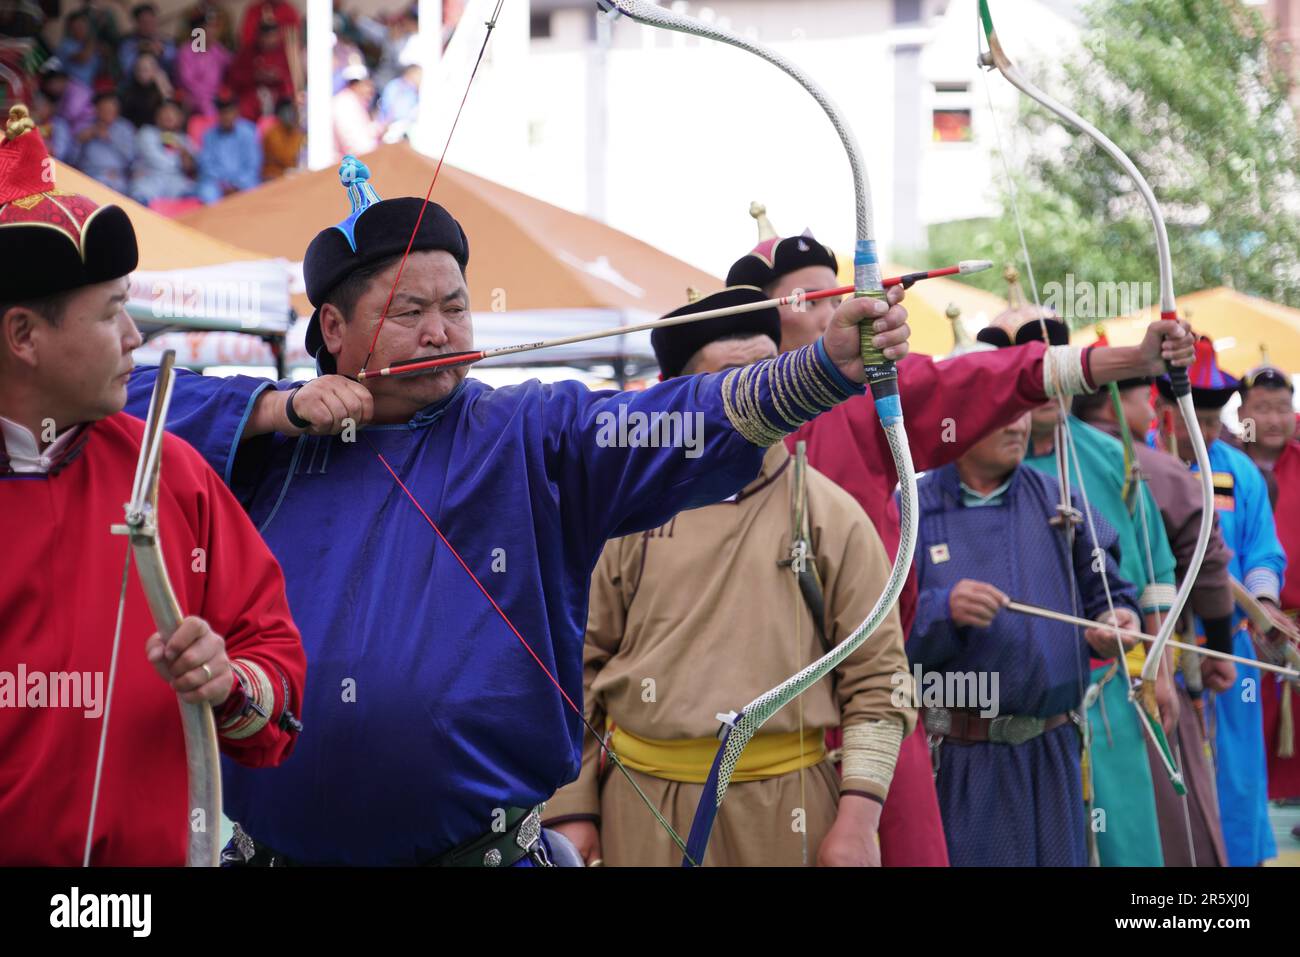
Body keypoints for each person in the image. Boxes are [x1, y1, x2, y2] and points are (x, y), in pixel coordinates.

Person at [123, 155, 912, 866]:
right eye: (409, 311)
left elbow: (678, 417)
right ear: (333, 328)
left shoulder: (529, 433)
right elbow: (118, 405)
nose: (440, 332)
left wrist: (822, 368)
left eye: (457, 308)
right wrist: (274, 408)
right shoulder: (267, 446)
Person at [727, 209, 1196, 865]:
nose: (835, 304)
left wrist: (1131, 357)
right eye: (809, 297)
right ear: (756, 320)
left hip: (877, 707)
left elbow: (982, 378)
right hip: (749, 720)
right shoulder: (706, 413)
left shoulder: (874, 399)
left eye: (837, 288)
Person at [0, 105, 305, 865]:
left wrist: (228, 681)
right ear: (23, 337)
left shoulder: (172, 473)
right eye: (111, 314)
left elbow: (276, 676)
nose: (137, 337)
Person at [544, 288, 914, 866]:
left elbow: (880, 682)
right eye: (731, 379)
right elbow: (573, 663)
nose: (760, 392)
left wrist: (859, 822)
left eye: (769, 371)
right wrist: (573, 810)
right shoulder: (621, 520)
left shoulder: (829, 515)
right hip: (643, 806)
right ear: (680, 394)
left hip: (787, 805)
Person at [910, 410, 1141, 865]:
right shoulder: (911, 509)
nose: (1017, 426)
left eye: (1021, 413)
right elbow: (875, 633)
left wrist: (1118, 620)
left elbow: (1110, 592)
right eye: (1000, 413)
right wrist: (942, 610)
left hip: (1052, 752)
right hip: (958, 757)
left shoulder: (1061, 504)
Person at [1010, 310, 1179, 869]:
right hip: (1008, 708)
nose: (1045, 386)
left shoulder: (1112, 458)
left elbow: (1155, 575)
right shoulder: (967, 467)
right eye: (1029, 373)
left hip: (1112, 690)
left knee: (1124, 843)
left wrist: (1162, 670)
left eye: (1055, 370)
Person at [1072, 379, 1234, 866]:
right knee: (1175, 823)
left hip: (1112, 672)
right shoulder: (1143, 466)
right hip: (1135, 675)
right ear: (1113, 401)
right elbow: (1207, 568)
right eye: (1145, 398)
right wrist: (1218, 649)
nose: (1154, 408)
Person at [1154, 337, 1287, 867]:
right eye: (1193, 421)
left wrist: (1262, 602)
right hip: (1158, 648)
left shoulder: (1239, 468)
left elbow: (1262, 548)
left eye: (1212, 423)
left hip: (1229, 649)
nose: (1204, 434)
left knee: (1236, 772)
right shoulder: (1139, 464)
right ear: (1166, 412)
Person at [1228, 365, 1300, 809]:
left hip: (1293, 631)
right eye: (1263, 409)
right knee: (1241, 751)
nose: (1274, 419)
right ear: (1242, 413)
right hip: (1238, 628)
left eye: (1282, 408)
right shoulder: (1221, 461)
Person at [195, 93, 261, 203]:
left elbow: (253, 165)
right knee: (207, 192)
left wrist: (236, 184)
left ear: (236, 112)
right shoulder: (209, 135)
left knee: (254, 191)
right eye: (222, 113)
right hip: (218, 183)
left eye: (229, 112)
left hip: (244, 182)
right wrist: (224, 185)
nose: (226, 116)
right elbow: (206, 165)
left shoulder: (248, 132)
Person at [130, 99, 197, 205]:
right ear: (157, 116)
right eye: (165, 112)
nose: (169, 116)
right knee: (140, 198)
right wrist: (178, 159)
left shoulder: (184, 139)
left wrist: (183, 151)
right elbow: (157, 162)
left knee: (193, 195)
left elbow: (190, 167)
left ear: (180, 118)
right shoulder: (147, 132)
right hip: (150, 178)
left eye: (173, 113)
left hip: (175, 181)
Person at [228, 22, 295, 122]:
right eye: (265, 36)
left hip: (280, 98)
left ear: (278, 35)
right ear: (259, 36)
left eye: (272, 36)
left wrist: (278, 77)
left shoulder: (287, 52)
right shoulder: (247, 52)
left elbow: (294, 80)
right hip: (252, 94)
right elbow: (234, 78)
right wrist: (254, 76)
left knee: (288, 114)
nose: (269, 40)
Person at [175, 7, 233, 118]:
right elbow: (188, 83)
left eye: (214, 27)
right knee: (206, 106)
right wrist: (208, 97)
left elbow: (232, 67)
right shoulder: (186, 52)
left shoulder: (217, 50)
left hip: (216, 97)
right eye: (209, 27)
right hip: (193, 98)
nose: (213, 31)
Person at [73, 91, 136, 193]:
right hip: (89, 175)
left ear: (117, 111)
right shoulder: (86, 125)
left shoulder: (125, 128)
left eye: (111, 110)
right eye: (104, 110)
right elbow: (71, 158)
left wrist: (111, 138)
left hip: (116, 176)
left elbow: (131, 158)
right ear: (96, 110)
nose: (107, 113)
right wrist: (80, 141)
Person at [332, 64, 380, 160]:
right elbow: (357, 146)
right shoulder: (344, 104)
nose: (370, 90)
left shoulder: (355, 103)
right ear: (354, 85)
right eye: (366, 85)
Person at [117, 2, 175, 77]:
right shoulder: (128, 43)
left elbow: (175, 62)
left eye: (151, 21)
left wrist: (161, 52)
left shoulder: (166, 40)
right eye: (144, 22)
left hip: (163, 82)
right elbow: (126, 68)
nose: (148, 26)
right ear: (136, 23)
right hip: (136, 85)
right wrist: (142, 52)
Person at [118, 51, 172, 128]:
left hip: (158, 131)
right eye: (138, 69)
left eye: (145, 69)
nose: (141, 73)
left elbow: (169, 114)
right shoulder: (128, 91)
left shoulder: (161, 89)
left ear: (155, 71)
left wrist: (164, 88)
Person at [260, 98, 305, 181]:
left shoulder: (298, 133)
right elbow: (286, 158)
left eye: (291, 112)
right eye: (285, 113)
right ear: (278, 116)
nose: (289, 116)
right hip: (275, 176)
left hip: (293, 174)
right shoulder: (272, 134)